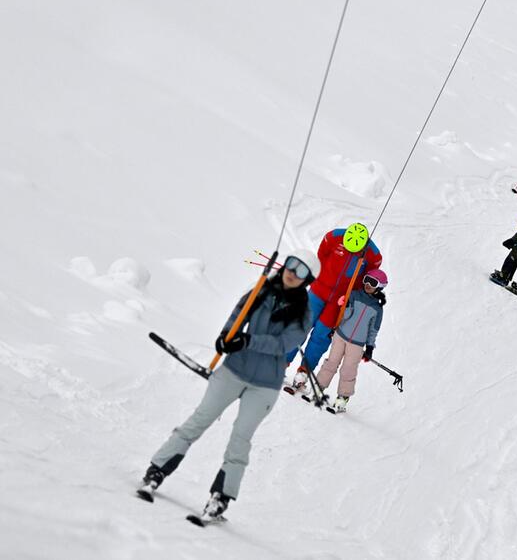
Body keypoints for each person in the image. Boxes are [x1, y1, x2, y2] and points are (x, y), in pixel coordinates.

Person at [138, 250, 320, 521]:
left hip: (265, 386)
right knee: (199, 419)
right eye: (292, 265)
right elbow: (239, 314)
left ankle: (220, 498)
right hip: (233, 370)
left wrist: (247, 342)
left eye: (302, 271)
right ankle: (156, 471)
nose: (293, 272)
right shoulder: (260, 289)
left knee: (240, 438)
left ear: (308, 280)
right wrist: (227, 336)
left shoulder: (303, 312)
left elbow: (285, 344)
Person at [285, 222, 382, 392]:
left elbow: (369, 278)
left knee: (321, 336)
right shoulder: (334, 236)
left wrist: (356, 296)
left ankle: (304, 371)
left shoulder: (372, 254)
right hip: (318, 291)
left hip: (339, 302)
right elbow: (321, 255)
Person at [313, 268, 387, 412]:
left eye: (372, 282)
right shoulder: (353, 295)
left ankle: (342, 398)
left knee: (348, 370)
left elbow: (373, 330)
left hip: (357, 345)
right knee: (331, 362)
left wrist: (370, 347)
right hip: (340, 335)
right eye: (366, 280)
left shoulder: (377, 309)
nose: (367, 284)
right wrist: (346, 307)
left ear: (380, 287)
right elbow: (344, 316)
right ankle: (319, 386)